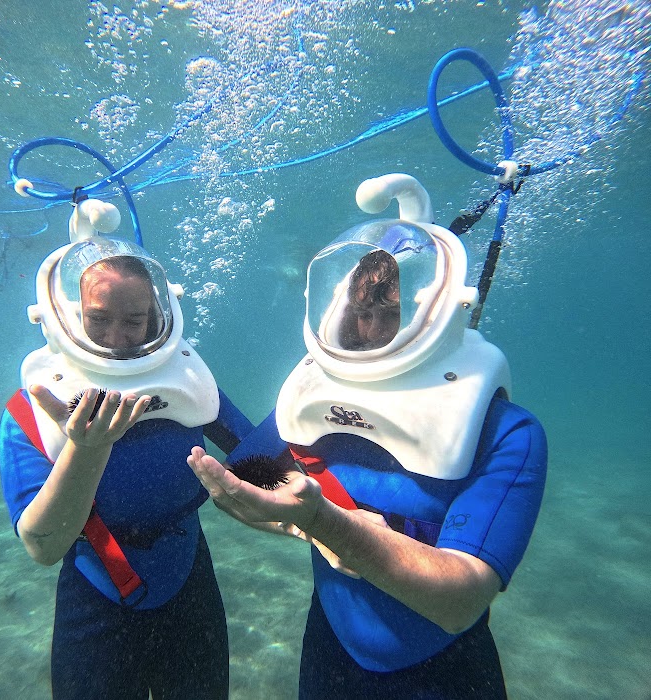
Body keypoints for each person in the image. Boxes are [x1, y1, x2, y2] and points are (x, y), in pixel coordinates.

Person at [188, 179, 547, 699]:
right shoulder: (315, 393)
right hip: (329, 650)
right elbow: (240, 481)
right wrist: (307, 527)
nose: (373, 331)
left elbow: (460, 602)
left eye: (391, 311)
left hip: (443, 672)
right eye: (362, 312)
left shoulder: (506, 431)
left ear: (435, 308)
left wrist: (320, 520)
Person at [0, 227, 252, 700]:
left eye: (134, 321)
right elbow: (43, 546)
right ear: (69, 317)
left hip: (188, 574)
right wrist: (85, 448)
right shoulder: (31, 408)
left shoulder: (188, 382)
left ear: (160, 316)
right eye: (99, 319)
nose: (117, 340)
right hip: (97, 589)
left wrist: (329, 516)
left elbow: (263, 459)